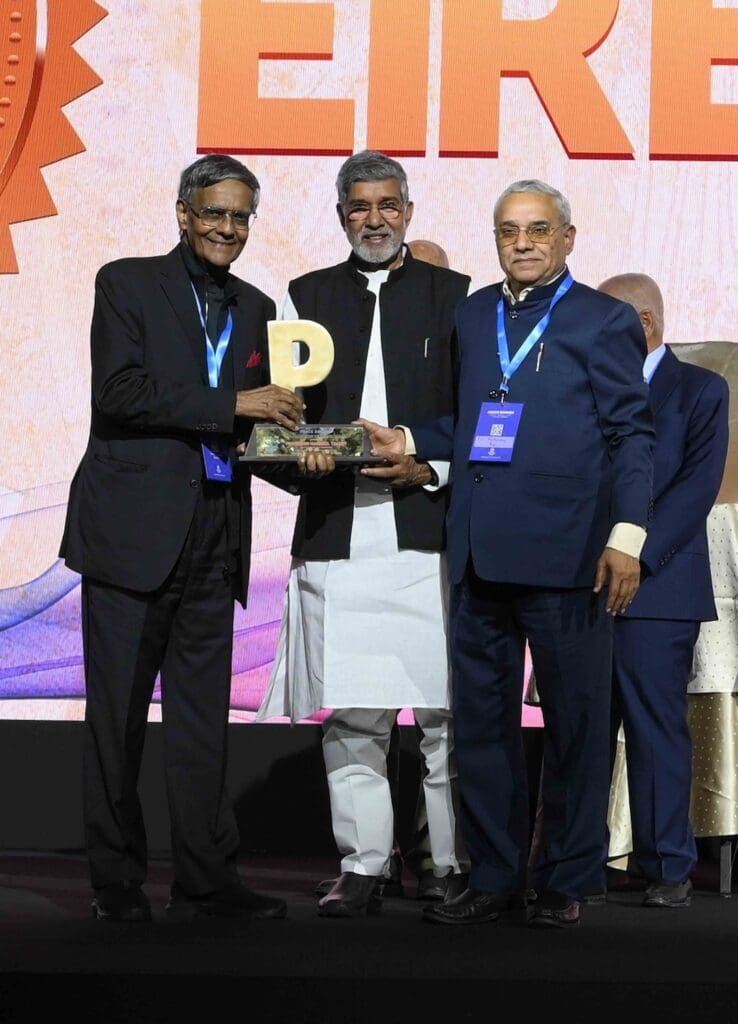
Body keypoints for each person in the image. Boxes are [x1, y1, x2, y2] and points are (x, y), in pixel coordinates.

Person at [362, 179, 655, 928]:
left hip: (572, 556)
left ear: (566, 238)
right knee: (481, 730)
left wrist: (627, 538)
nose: (521, 243)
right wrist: (412, 440)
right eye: (507, 231)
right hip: (479, 554)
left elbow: (631, 437)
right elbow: (469, 420)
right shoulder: (473, 314)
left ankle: (566, 878)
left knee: (576, 727)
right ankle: (493, 877)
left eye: (536, 230)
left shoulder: (604, 319)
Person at [60, 154, 304, 922]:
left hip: (214, 536)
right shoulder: (126, 283)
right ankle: (117, 882)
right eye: (215, 214)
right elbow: (121, 393)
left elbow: (256, 430)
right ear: (183, 213)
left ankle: (206, 878)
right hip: (131, 538)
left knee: (201, 725)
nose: (228, 229)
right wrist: (234, 402)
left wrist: (311, 462)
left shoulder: (260, 306)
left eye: (240, 217)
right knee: (117, 723)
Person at [256, 150, 470, 917]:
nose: (374, 219)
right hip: (339, 532)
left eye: (387, 205)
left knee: (446, 716)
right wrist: (298, 456)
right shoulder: (306, 296)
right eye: (359, 206)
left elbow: (475, 419)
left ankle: (449, 865)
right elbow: (283, 419)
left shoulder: (458, 298)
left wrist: (424, 461)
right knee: (353, 713)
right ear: (341, 214)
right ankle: (366, 867)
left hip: (427, 534)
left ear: (408, 212)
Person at [597, 274, 729, 908]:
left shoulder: (701, 389)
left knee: (656, 731)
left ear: (644, 322)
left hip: (658, 588)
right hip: (583, 584)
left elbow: (696, 489)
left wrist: (635, 555)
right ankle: (574, 860)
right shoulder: (583, 386)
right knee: (582, 731)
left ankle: (668, 865)